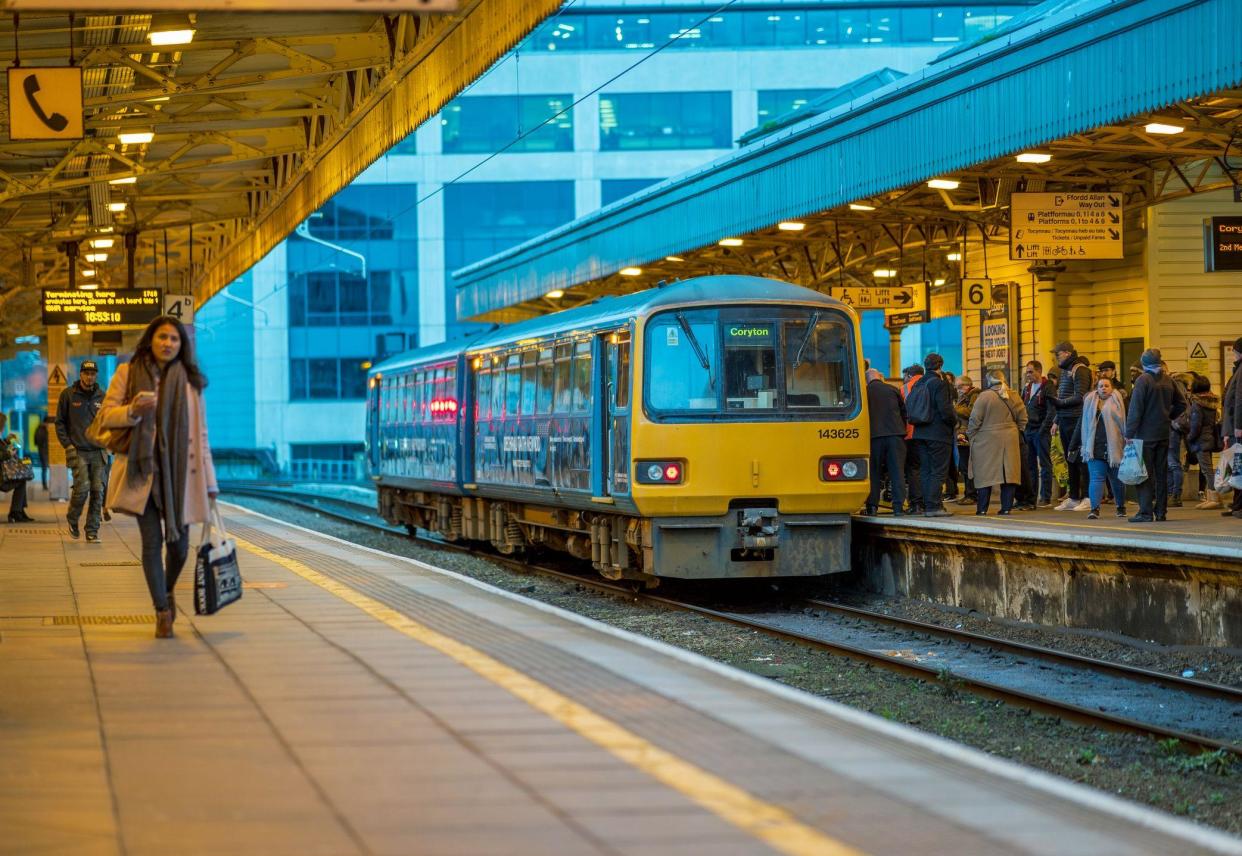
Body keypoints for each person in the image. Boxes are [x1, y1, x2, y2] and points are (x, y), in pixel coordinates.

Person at [95, 316, 218, 639]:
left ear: (182, 345)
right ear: (151, 339)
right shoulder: (127, 373)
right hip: (143, 472)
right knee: (152, 543)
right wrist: (133, 410)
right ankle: (162, 611)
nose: (168, 343)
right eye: (162, 337)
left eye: (174, 339)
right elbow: (106, 416)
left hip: (181, 476)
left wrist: (210, 482)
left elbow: (201, 435)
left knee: (179, 547)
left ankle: (166, 591)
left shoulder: (191, 383)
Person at [1124, 348, 1186, 523]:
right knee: (1161, 474)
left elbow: (1135, 410)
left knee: (1144, 474)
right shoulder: (1169, 380)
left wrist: (1129, 433)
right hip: (1163, 433)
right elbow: (1181, 404)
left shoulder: (1143, 381)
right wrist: (1168, 416)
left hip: (1144, 435)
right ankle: (1161, 512)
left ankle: (1145, 512)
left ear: (1144, 364)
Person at [56, 360, 107, 542]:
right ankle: (72, 517)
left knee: (97, 490)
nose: (89, 376)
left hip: (98, 451)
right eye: (86, 373)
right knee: (82, 488)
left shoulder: (102, 396)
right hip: (77, 450)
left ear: (96, 375)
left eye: (92, 373)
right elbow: (59, 423)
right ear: (80, 374)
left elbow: (108, 422)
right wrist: (67, 445)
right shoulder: (68, 395)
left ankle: (92, 530)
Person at [966, 371, 1028, 515]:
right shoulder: (1014, 395)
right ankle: (1006, 508)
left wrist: (971, 435)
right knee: (1009, 475)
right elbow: (1023, 418)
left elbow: (975, 420)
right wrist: (1014, 430)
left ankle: (982, 509)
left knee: (984, 475)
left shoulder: (984, 397)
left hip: (986, 441)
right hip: (1010, 440)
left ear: (989, 382)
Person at [1070, 377, 1127, 519]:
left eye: (1107, 386)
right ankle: (1094, 509)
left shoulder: (1118, 401)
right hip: (1094, 447)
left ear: (1112, 388)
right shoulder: (1090, 402)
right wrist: (1074, 444)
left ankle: (1120, 506)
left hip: (1114, 447)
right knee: (1096, 478)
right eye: (1101, 386)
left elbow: (1124, 423)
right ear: (1097, 388)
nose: (1103, 388)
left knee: (1116, 480)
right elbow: (1082, 424)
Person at [909, 353, 956, 517]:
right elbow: (946, 410)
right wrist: (953, 422)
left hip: (920, 432)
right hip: (938, 433)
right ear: (940, 365)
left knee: (926, 470)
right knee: (938, 471)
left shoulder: (918, 382)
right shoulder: (939, 383)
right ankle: (934, 506)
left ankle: (927, 505)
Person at [1049, 342, 1093, 510]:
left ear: (1067, 353)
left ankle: (1088, 497)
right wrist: (1056, 420)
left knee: (1081, 459)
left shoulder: (1080, 370)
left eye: (1057, 355)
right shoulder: (1067, 371)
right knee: (1070, 459)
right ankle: (1074, 497)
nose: (1056, 358)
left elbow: (1080, 396)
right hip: (1066, 419)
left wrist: (1059, 403)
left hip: (1077, 420)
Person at [864, 368, 907, 516]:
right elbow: (904, 412)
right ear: (880, 377)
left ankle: (872, 507)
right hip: (895, 435)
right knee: (897, 472)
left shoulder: (864, 392)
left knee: (874, 472)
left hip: (874, 437)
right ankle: (898, 507)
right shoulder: (892, 389)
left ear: (867, 379)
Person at [1181, 374, 1222, 510]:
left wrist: (1189, 437)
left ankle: (1215, 499)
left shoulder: (1198, 404)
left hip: (1201, 440)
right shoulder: (1210, 402)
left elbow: (1196, 425)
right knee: (1207, 469)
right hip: (1208, 438)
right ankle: (1211, 497)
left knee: (1207, 471)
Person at [1021, 361, 1056, 507]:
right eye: (1027, 372)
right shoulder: (1027, 388)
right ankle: (1032, 496)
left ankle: (1045, 497)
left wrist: (1044, 429)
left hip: (1041, 431)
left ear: (1038, 371)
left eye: (1030, 372)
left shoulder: (1047, 387)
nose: (1028, 375)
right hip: (1028, 430)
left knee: (1044, 464)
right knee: (1030, 466)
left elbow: (1051, 410)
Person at [1221, 338, 1242, 520]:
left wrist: (1238, 426)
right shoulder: (1238, 369)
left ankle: (1239, 505)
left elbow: (1239, 399)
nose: (1233, 353)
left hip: (1238, 428)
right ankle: (1237, 504)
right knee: (1237, 466)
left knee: (1239, 466)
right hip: (1234, 426)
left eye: (1235, 350)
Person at [0, 413, 34, 522]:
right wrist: (9, 454)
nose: (4, 426)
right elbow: (2, 454)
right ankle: (16, 512)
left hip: (3, 475)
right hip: (1, 478)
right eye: (4, 424)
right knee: (21, 481)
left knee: (22, 480)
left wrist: (7, 441)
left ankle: (18, 511)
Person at [952, 375, 980, 506]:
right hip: (961, 434)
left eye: (959, 387)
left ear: (967, 385)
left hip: (968, 434)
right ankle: (968, 494)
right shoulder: (964, 396)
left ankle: (971, 494)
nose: (957, 390)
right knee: (963, 466)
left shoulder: (975, 395)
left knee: (968, 466)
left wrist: (954, 408)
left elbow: (971, 412)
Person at [900, 364, 924, 514]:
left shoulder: (904, 389)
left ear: (909, 375)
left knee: (913, 469)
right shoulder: (932, 384)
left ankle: (915, 503)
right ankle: (931, 502)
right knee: (929, 469)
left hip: (910, 433)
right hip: (930, 434)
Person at [33, 416, 49, 491]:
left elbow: (36, 442)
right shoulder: (41, 430)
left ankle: (45, 484)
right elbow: (39, 441)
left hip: (43, 451)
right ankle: (44, 485)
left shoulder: (40, 429)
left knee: (44, 468)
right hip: (44, 452)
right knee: (44, 468)